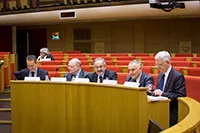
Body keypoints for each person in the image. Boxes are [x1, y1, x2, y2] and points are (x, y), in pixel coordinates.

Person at [153, 51, 186, 127]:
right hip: (160, 108)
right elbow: (160, 91)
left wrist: (162, 93)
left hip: (172, 111)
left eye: (160, 64)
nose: (158, 67)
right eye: (156, 64)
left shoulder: (178, 76)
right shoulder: (160, 75)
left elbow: (181, 95)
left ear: (167, 62)